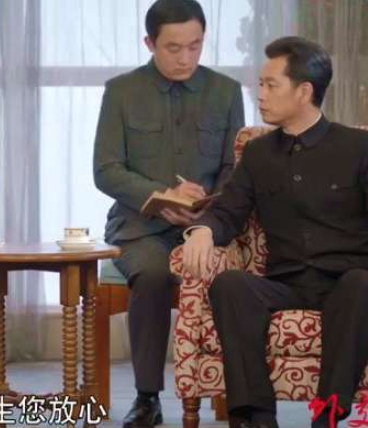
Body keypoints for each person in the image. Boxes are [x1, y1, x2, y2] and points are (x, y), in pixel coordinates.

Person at [183, 36, 368, 428]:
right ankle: (257, 417)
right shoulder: (258, 153)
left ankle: (327, 415)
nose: (260, 94)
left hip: (347, 281)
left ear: (304, 92)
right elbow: (228, 211)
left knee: (362, 285)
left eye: (271, 84)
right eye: (260, 84)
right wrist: (201, 231)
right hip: (286, 282)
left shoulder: (358, 147)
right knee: (230, 285)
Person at [93, 0, 244, 426]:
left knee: (231, 278)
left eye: (195, 46)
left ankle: (236, 391)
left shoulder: (226, 91)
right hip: (139, 228)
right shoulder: (121, 92)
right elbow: (106, 170)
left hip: (207, 226)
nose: (185, 58)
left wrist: (205, 214)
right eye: (173, 48)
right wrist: (163, 196)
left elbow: (235, 170)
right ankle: (147, 398)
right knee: (153, 275)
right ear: (150, 43)